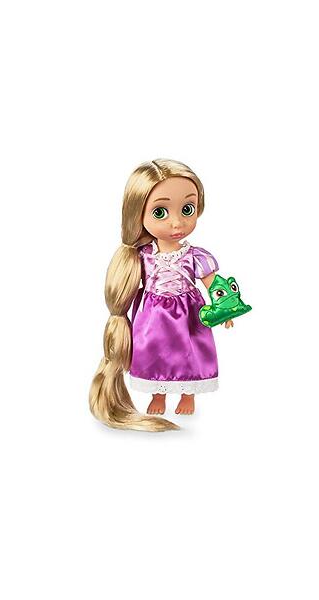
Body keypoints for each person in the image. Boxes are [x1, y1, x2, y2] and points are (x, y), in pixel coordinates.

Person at [89, 159, 233, 432]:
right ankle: (158, 393)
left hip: (188, 313)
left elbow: (214, 283)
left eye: (187, 209)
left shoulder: (195, 255)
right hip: (154, 315)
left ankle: (188, 394)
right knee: (156, 352)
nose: (177, 222)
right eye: (160, 212)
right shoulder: (141, 256)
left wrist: (224, 306)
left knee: (189, 352)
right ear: (138, 214)